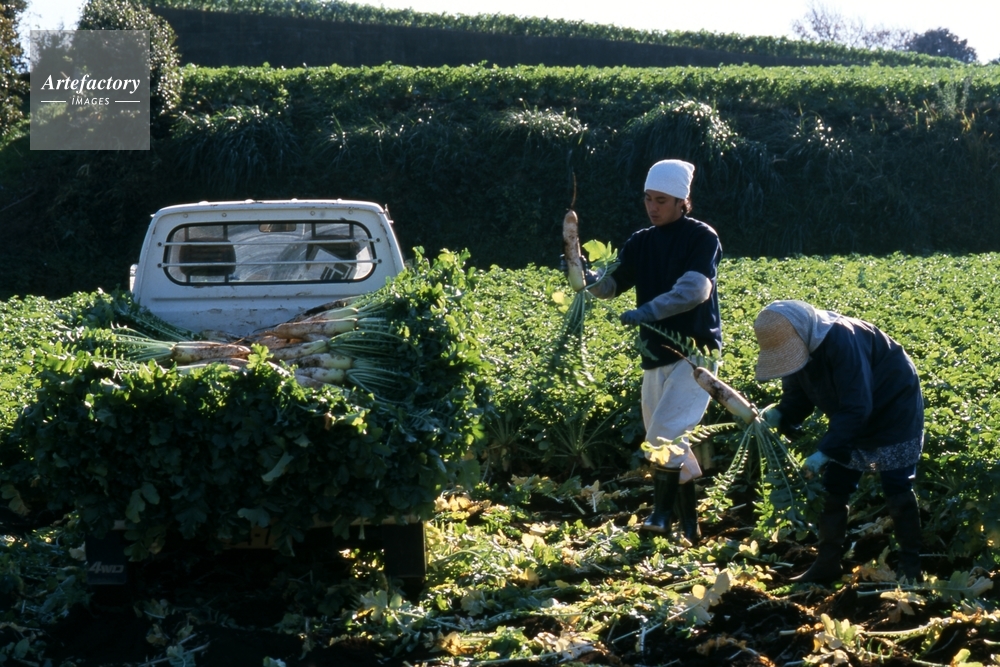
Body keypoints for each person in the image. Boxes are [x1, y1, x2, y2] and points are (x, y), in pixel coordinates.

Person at [586, 158, 723, 542]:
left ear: (682, 201)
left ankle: (661, 516)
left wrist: (648, 311)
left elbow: (695, 290)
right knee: (668, 439)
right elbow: (611, 286)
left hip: (695, 354)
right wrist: (585, 277)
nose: (652, 207)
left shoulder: (701, 237)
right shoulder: (641, 242)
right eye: (648, 198)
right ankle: (691, 528)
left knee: (665, 435)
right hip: (655, 354)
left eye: (661, 200)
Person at [753, 300, 924, 583]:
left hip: (893, 404)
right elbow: (799, 395)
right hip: (851, 410)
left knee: (897, 483)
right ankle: (827, 563)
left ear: (802, 334)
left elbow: (857, 405)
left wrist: (825, 452)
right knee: (836, 484)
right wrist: (781, 413)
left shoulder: (842, 339)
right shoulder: (798, 347)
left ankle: (911, 566)